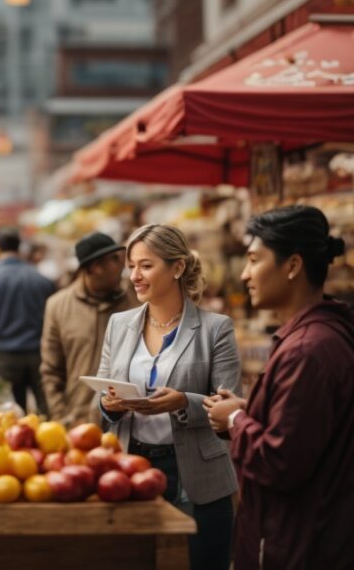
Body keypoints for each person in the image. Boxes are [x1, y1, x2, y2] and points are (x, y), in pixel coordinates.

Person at [205, 206, 354, 570]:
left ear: (292, 266)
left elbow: (281, 462)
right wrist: (250, 410)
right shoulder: (318, 337)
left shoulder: (307, 350)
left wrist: (237, 419)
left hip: (297, 545)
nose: (244, 275)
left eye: (254, 260)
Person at [98, 224, 239, 570]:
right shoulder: (119, 324)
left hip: (196, 473)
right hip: (131, 467)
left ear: (177, 267)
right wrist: (108, 405)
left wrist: (183, 402)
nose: (134, 276)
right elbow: (102, 393)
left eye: (146, 265)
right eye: (131, 266)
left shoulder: (215, 328)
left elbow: (229, 406)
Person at [40, 232, 138, 425]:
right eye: (116, 259)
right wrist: (61, 416)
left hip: (128, 421)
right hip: (78, 422)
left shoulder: (136, 301)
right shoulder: (57, 306)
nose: (124, 265)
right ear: (95, 267)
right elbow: (51, 371)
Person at [0, 228, 55, 413]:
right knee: (46, 409)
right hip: (37, 354)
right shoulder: (42, 280)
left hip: (0, 355)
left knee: (4, 414)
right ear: (19, 248)